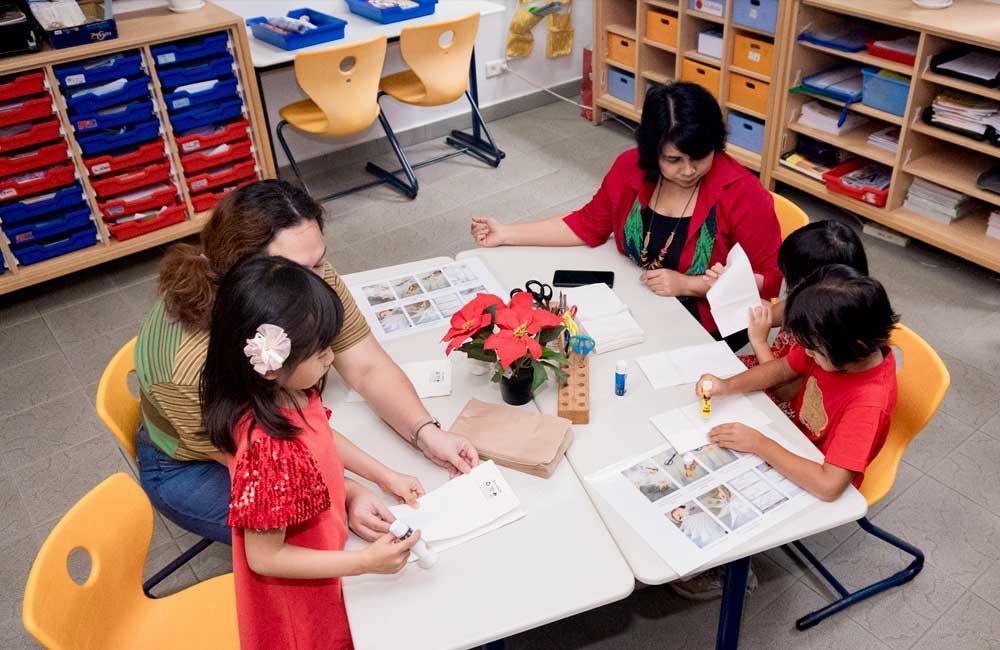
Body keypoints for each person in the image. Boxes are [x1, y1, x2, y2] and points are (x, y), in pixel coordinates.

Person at [135, 180, 479, 546]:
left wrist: (426, 433)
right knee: (324, 537)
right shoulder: (187, 369)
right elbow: (264, 462)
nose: (321, 279)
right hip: (198, 466)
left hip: (277, 426)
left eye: (321, 261)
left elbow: (365, 366)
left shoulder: (302, 277)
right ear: (250, 274)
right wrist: (347, 495)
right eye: (304, 268)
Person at [202, 256, 419, 650]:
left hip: (331, 557)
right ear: (269, 365)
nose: (331, 358)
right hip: (303, 598)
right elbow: (266, 558)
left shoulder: (293, 392)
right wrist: (364, 563)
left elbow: (320, 435)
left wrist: (382, 476)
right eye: (319, 352)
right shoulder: (265, 451)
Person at [470, 82, 781, 349]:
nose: (688, 170)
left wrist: (689, 285)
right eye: (673, 159)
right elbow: (587, 225)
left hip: (704, 323)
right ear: (652, 150)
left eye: (699, 157)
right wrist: (508, 233)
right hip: (638, 301)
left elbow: (768, 282)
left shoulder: (744, 193)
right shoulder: (630, 167)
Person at [703, 265, 899, 501]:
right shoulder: (833, 345)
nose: (806, 353)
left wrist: (759, 444)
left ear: (851, 347)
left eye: (814, 351)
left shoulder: (868, 404)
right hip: (791, 438)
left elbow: (829, 486)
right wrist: (726, 386)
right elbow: (783, 367)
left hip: (814, 473)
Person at [741, 220, 870, 414]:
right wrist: (732, 287)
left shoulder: (825, 340)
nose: (788, 288)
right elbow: (770, 313)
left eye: (791, 281)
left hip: (784, 406)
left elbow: (784, 392)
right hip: (769, 369)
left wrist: (759, 342)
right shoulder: (815, 301)